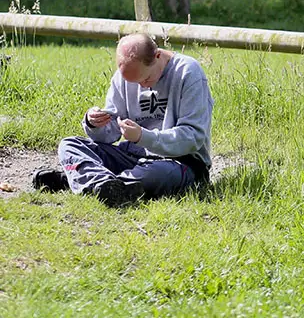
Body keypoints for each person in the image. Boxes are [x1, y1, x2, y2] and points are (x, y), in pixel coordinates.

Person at [32, 33, 213, 207]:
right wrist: (94, 124)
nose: (141, 86)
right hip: (132, 155)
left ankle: (84, 180)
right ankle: (104, 184)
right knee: (69, 144)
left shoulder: (188, 72)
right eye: (133, 82)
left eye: (146, 79)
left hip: (180, 162)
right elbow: (109, 135)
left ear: (157, 55)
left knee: (154, 174)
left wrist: (143, 136)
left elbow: (193, 137)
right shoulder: (123, 77)